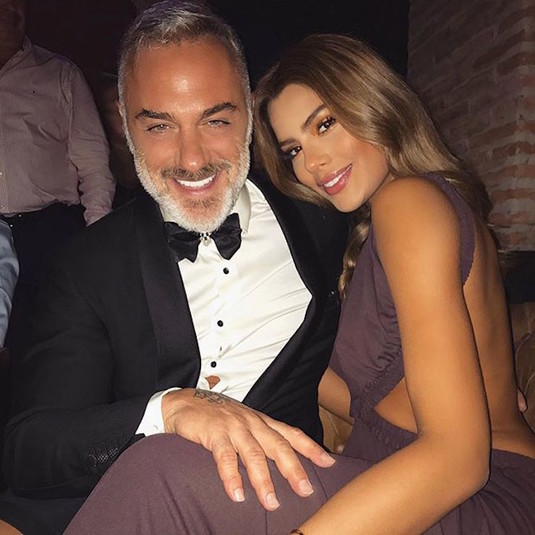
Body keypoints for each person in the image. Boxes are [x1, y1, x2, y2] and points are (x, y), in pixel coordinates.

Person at [65, 32, 535, 534]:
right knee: (172, 465)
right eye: (293, 150)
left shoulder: (410, 203)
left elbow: (459, 460)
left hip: (476, 496)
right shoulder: (382, 225)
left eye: (325, 125)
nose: (313, 164)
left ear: (376, 103)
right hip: (400, 474)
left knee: (159, 472)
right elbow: (372, 400)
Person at [0, 2, 347, 533]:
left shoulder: (322, 221)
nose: (191, 159)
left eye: (216, 120)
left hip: (273, 502)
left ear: (249, 114)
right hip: (121, 507)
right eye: (160, 126)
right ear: (125, 127)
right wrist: (165, 410)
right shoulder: (88, 264)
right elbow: (30, 447)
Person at [0, 0, 116, 365]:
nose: (9, 8)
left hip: (50, 233)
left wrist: (97, 239)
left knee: (55, 350)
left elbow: (94, 164)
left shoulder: (60, 73)